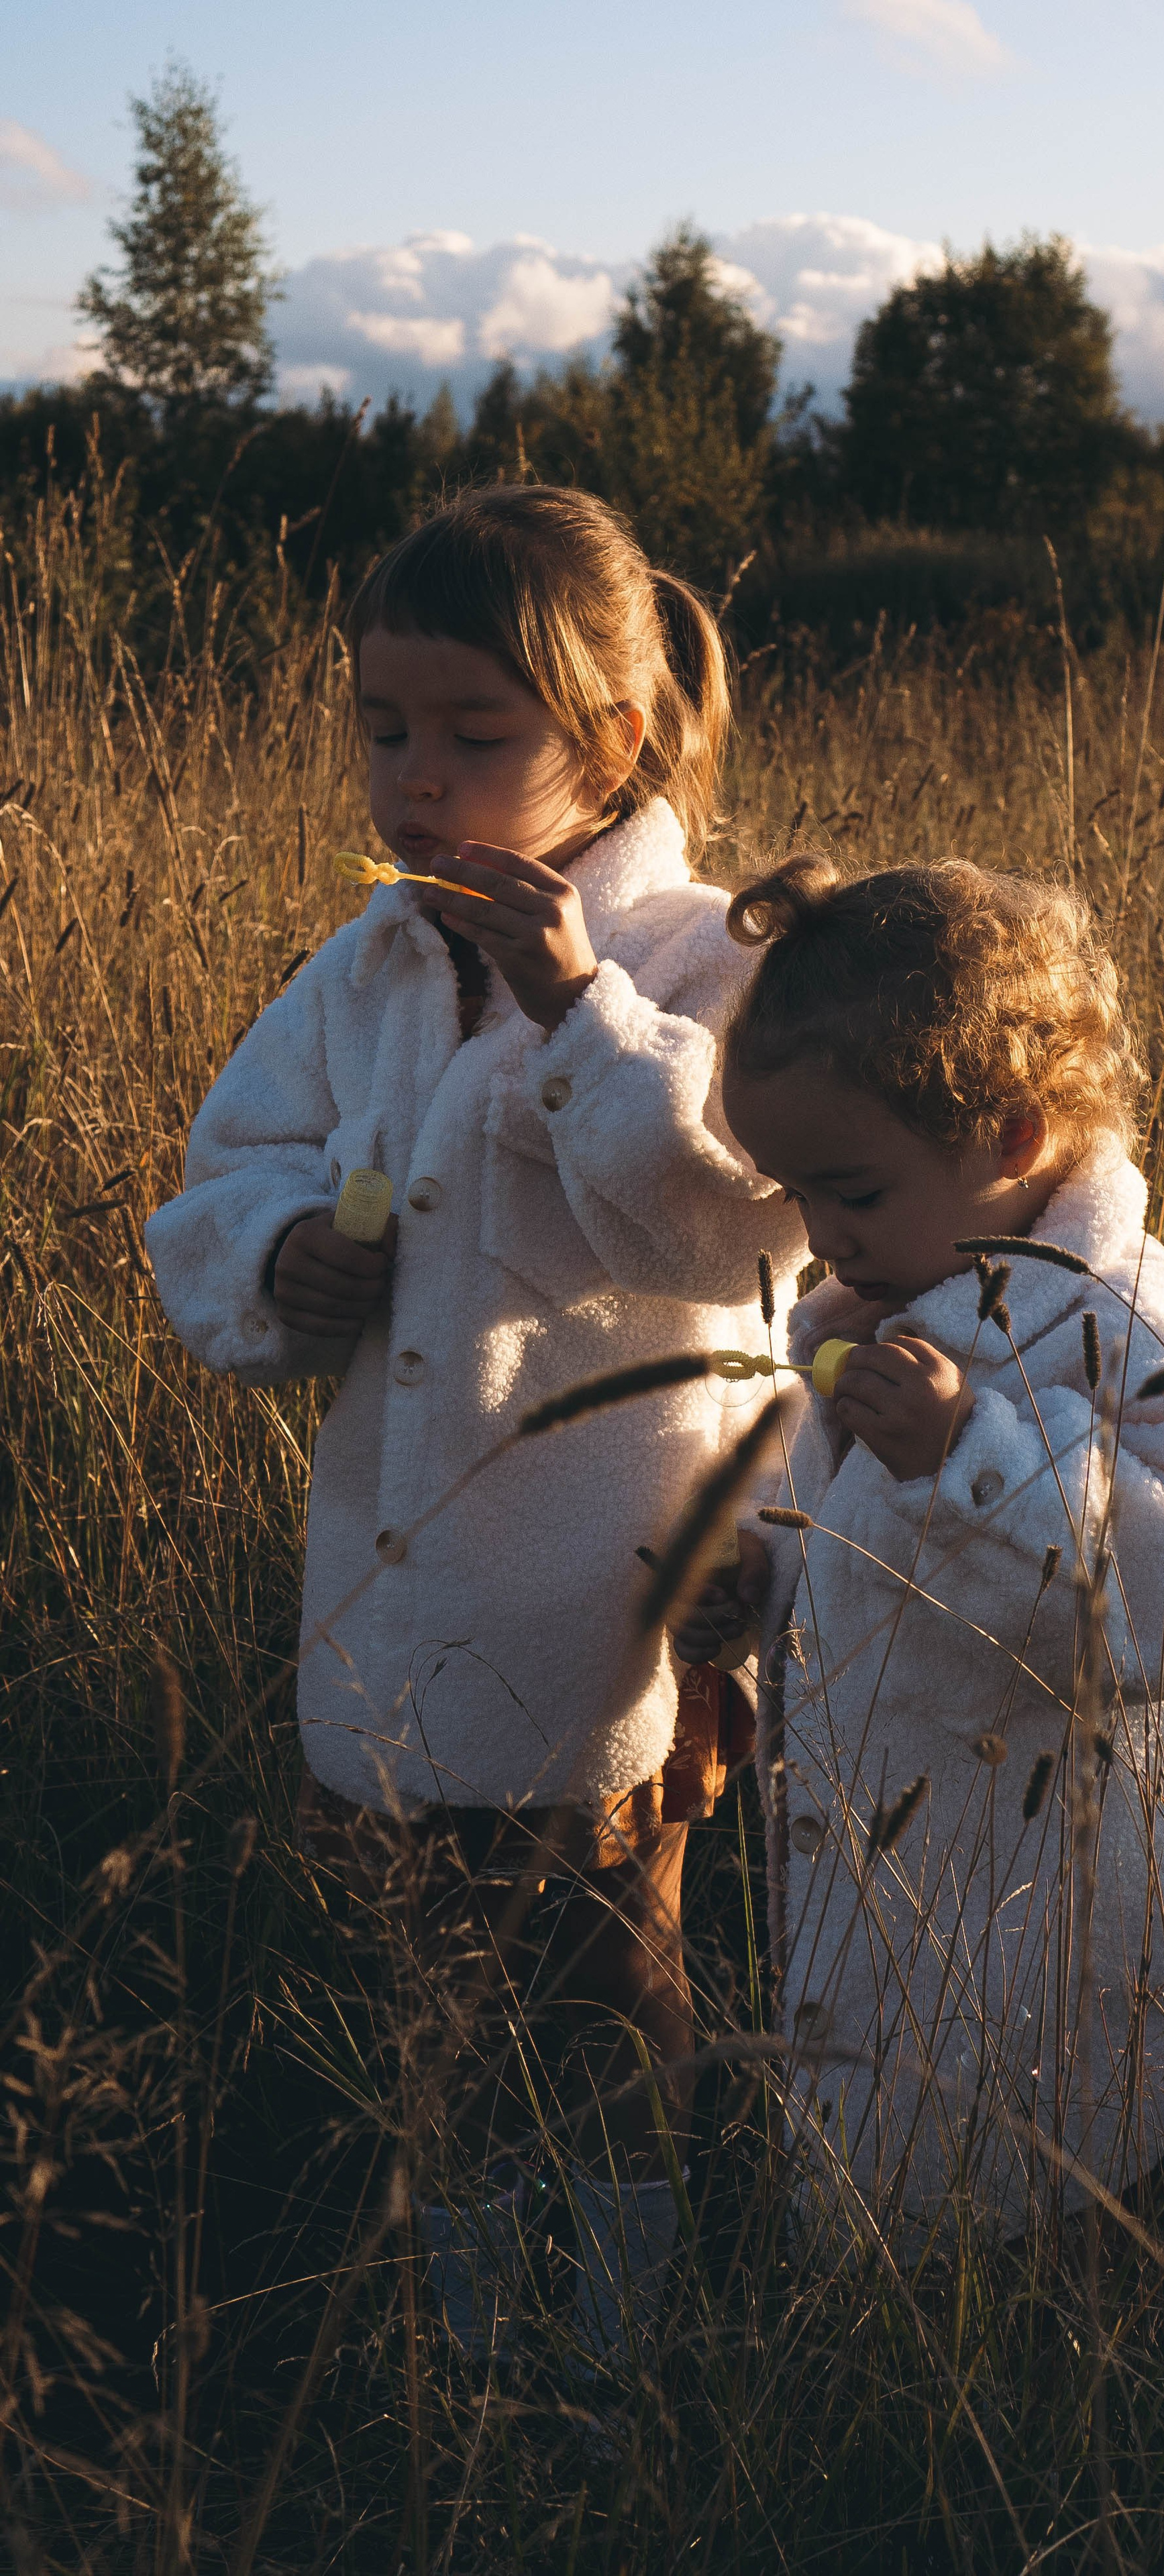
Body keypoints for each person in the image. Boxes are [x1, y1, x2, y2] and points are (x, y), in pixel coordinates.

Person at [146, 486, 805, 2365]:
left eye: (473, 733)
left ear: (613, 737)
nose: (415, 776)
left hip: (608, 1592)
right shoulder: (367, 965)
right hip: (398, 1581)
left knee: (602, 1968)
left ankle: (614, 2339)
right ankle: (474, 2335)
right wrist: (283, 1252)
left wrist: (579, 1009)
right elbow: (231, 1165)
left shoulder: (701, 958)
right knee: (431, 1983)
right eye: (383, 728)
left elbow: (735, 1224)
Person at [678, 855, 1164, 2239]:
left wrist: (975, 1465)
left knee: (1088, 2191)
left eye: (853, 1191)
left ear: (1010, 1135)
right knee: (926, 2153)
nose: (820, 1237)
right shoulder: (877, 1308)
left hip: (1093, 1895)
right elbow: (848, 1543)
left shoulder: (1131, 1322)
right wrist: (759, 1582)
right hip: (915, 1875)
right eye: (798, 1196)